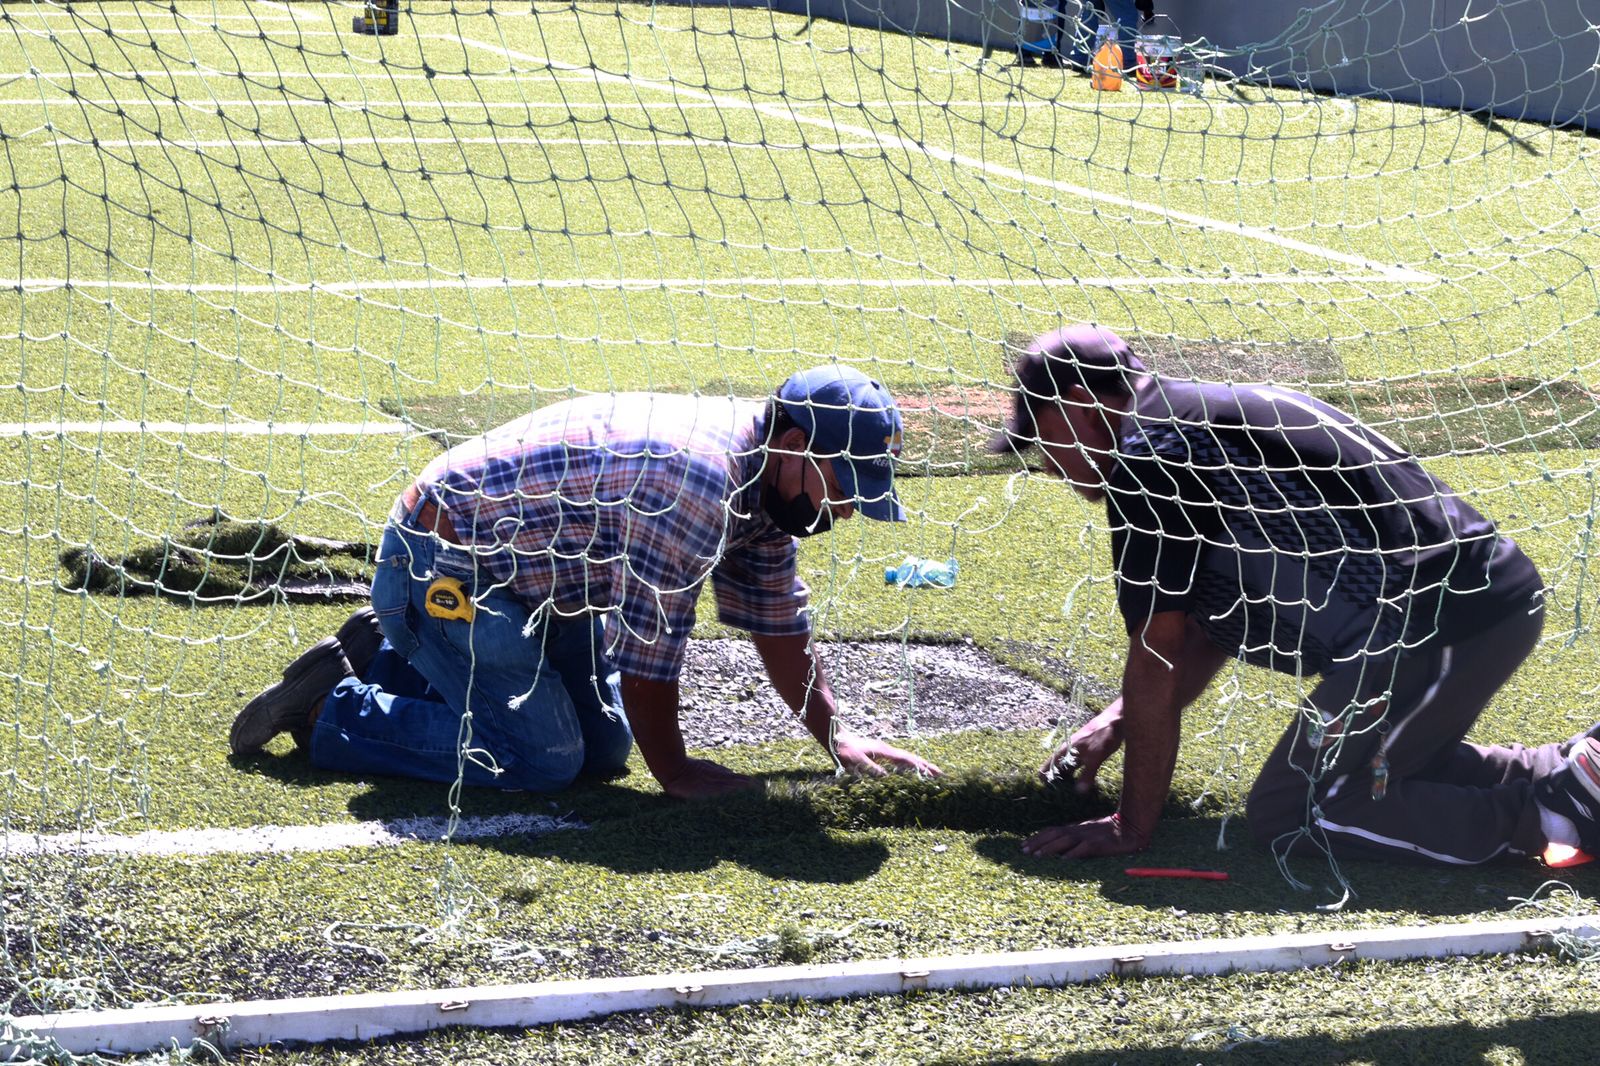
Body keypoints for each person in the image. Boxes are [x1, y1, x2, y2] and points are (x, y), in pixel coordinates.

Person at [988, 324, 1600, 866]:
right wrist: (1114, 723)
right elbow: (1207, 620)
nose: (1048, 466)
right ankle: (1566, 771)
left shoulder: (1151, 457)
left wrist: (1130, 825)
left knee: (1295, 810)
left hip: (1437, 620)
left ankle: (1550, 816)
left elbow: (1159, 653)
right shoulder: (1190, 413)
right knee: (1383, 767)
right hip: (1466, 600)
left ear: (1081, 407)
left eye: (1044, 440)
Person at [232, 367, 942, 799]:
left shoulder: (765, 483)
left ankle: (397, 658)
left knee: (603, 753)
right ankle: (334, 708)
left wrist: (836, 738)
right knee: (542, 761)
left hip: (530, 580)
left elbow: (778, 622)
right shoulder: (700, 485)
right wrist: (678, 774)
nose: (847, 509)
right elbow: (648, 651)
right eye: (844, 487)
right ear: (793, 447)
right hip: (445, 566)